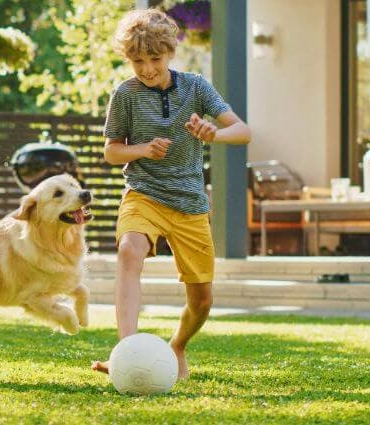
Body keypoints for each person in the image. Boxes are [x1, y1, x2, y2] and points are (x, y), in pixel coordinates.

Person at [92, 8, 251, 380]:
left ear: (170, 53)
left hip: (189, 202)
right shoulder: (125, 94)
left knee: (202, 301)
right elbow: (112, 151)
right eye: (137, 60)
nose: (146, 68)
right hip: (144, 193)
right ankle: (126, 352)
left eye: (155, 59)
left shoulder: (196, 87)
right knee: (130, 250)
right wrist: (143, 149)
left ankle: (177, 346)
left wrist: (215, 133)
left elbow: (242, 131)